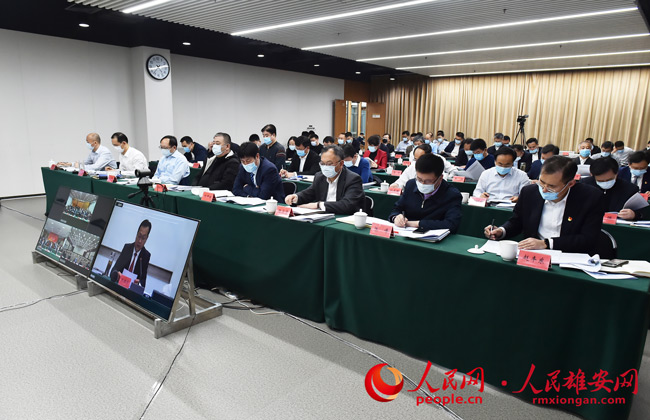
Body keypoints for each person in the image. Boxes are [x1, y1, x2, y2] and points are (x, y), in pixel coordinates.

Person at [484, 156, 604, 253]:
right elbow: (517, 221)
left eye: (552, 186)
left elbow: (588, 238)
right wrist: (501, 231)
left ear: (570, 184)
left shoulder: (590, 197)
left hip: (569, 256)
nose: (544, 189)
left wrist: (546, 243)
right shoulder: (529, 192)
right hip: (534, 255)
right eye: (542, 182)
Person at [389, 154, 462, 233]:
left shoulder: (452, 195)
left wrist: (417, 224)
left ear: (440, 178)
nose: (422, 184)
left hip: (433, 237)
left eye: (428, 181)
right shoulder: (411, 185)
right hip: (406, 232)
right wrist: (396, 217)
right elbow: (397, 208)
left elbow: (451, 224)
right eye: (419, 179)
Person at [284, 146, 365, 215]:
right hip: (323, 216)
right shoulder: (320, 176)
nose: (325, 167)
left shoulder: (353, 179)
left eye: (329, 164)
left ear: (341, 164)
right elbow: (309, 193)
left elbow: (347, 205)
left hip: (344, 218)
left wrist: (319, 205)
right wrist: (296, 197)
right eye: (322, 163)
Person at [110, 219, 151, 288]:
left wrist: (138, 284)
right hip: (119, 286)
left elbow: (143, 283)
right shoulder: (127, 248)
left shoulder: (146, 256)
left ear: (146, 238)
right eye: (139, 236)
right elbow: (114, 269)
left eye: (143, 238)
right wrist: (117, 274)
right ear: (136, 234)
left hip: (131, 290)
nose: (140, 241)